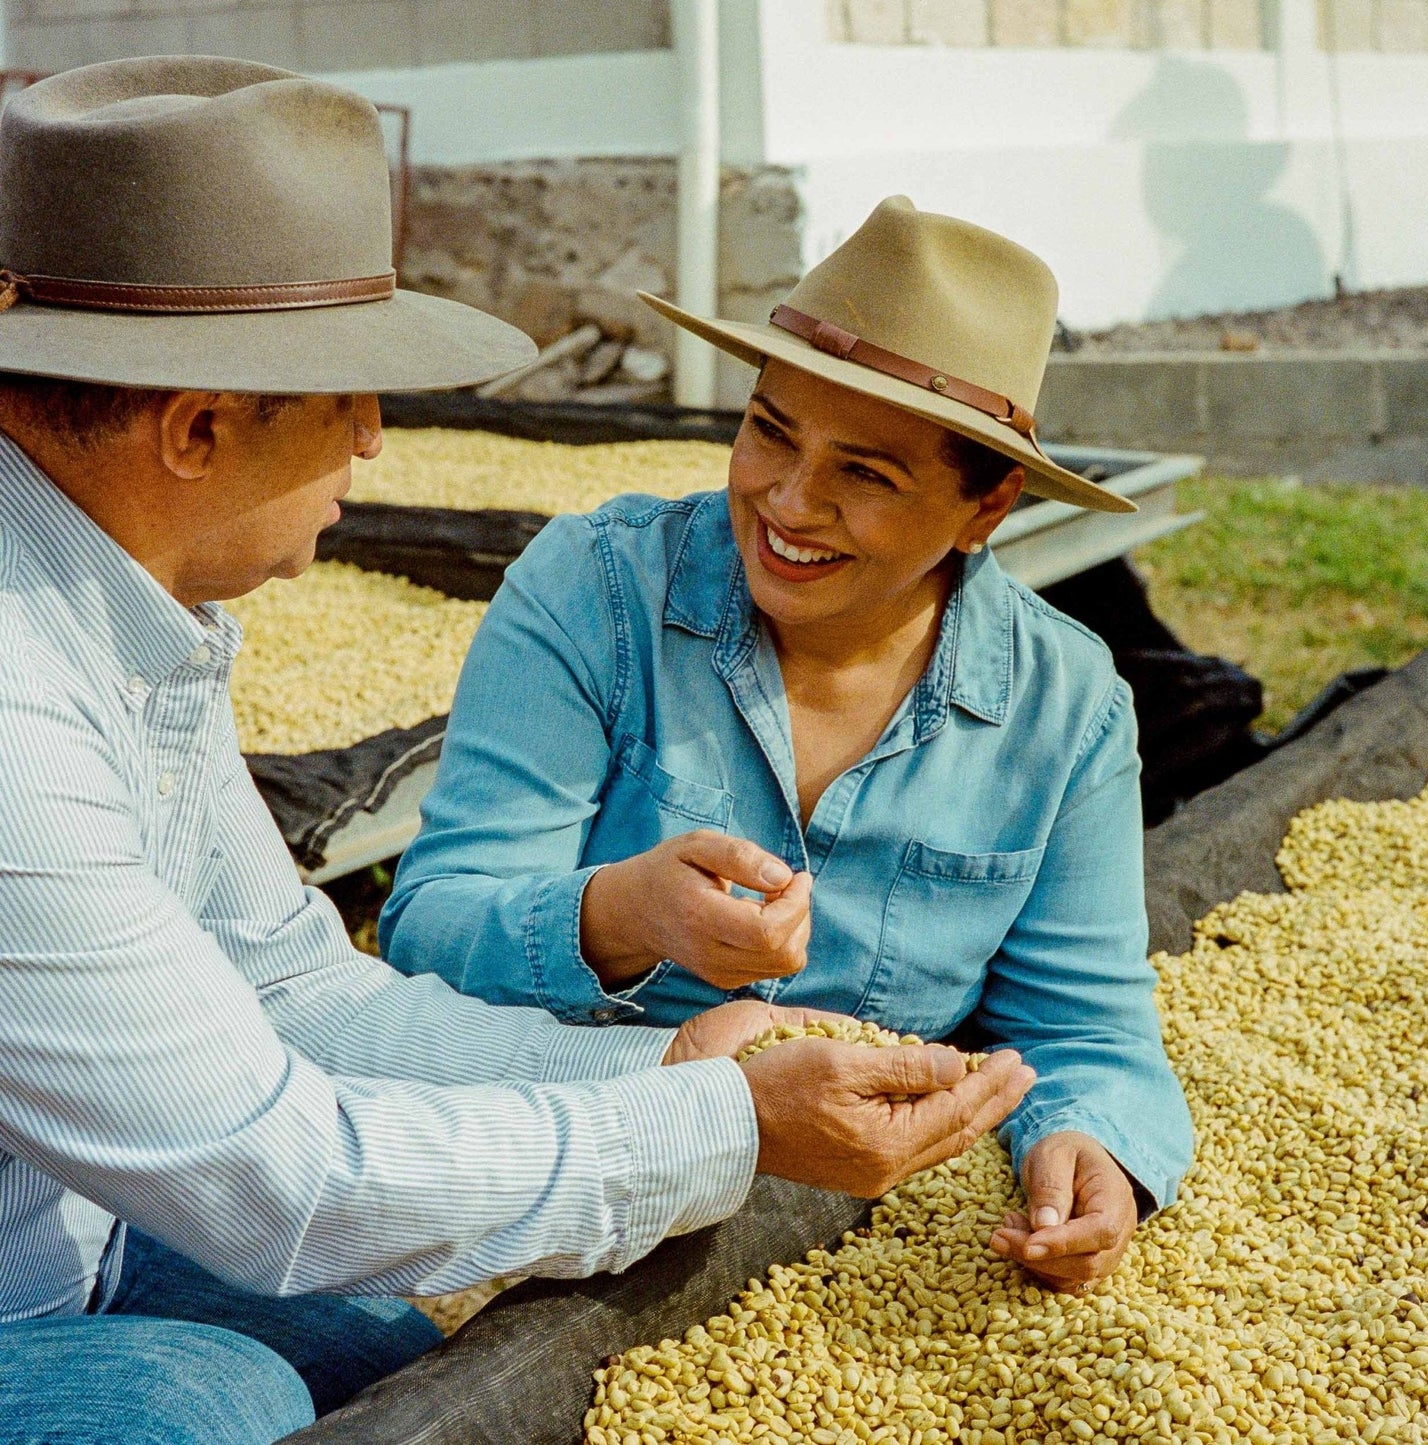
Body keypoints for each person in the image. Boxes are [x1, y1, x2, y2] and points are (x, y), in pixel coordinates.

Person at [0, 63, 1037, 1445]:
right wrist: (726, 1123)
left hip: (63, 1231)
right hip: (55, 1266)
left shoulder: (132, 619)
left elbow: (299, 993)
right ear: (194, 429)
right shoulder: (19, 712)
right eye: (350, 396)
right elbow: (277, 1174)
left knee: (405, 1321)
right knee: (217, 1399)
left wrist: (659, 1075)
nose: (378, 436)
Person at [382, 196, 1195, 1296]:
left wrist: (1089, 1148)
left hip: (847, 1231)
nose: (788, 501)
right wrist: (623, 912)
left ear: (985, 504)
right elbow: (426, 929)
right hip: (563, 1156)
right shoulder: (596, 592)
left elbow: (1080, 1023)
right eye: (768, 429)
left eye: (865, 472)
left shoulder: (1060, 709)